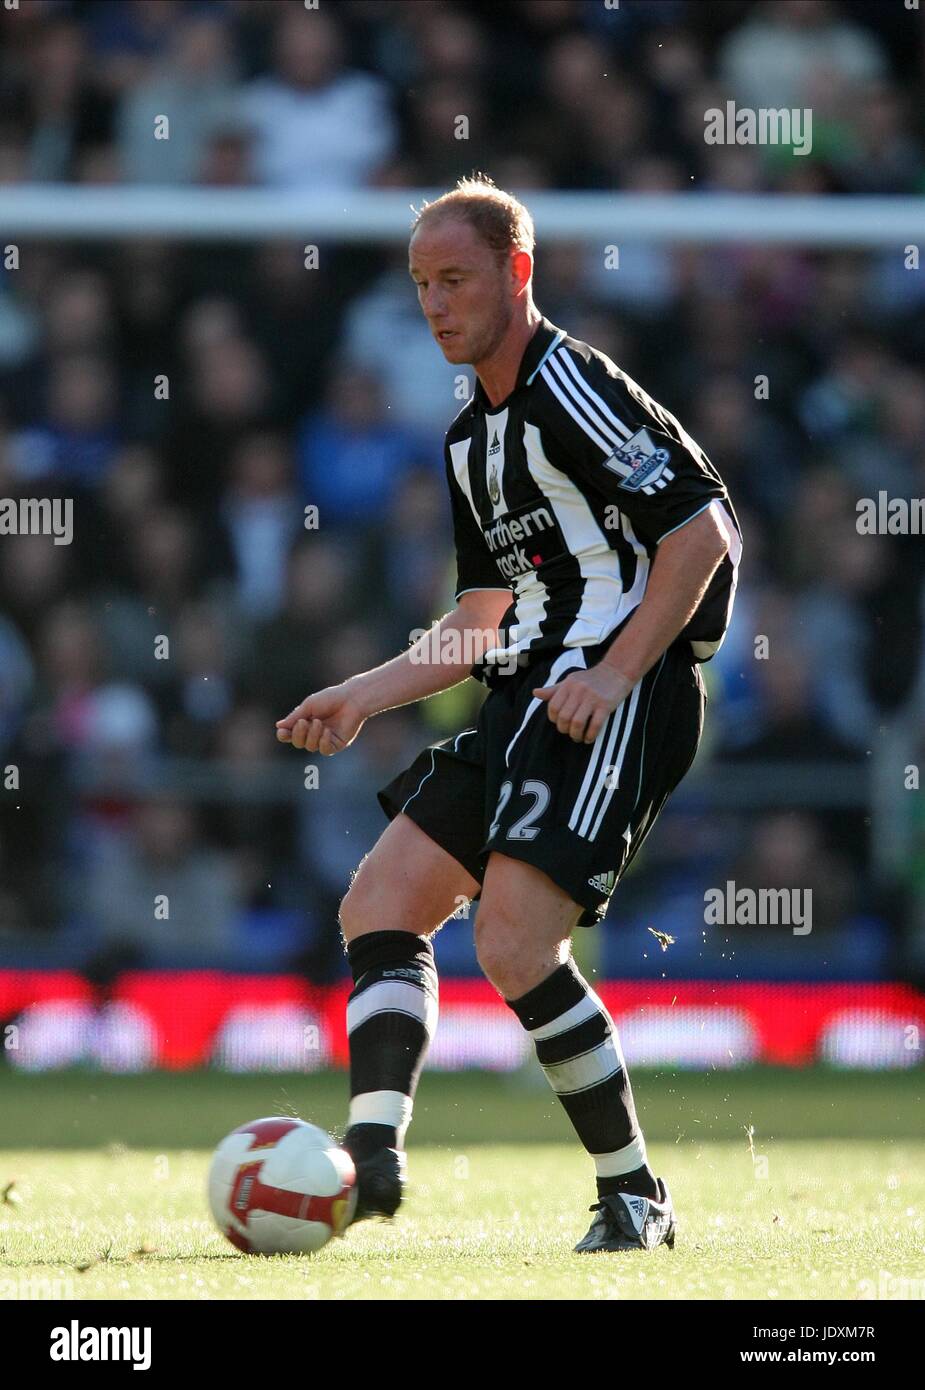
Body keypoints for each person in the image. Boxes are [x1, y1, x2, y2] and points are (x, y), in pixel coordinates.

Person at [276, 177, 742, 1253]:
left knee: (512, 942)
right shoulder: (467, 439)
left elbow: (702, 532)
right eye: (421, 286)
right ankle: (372, 1163)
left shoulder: (571, 388)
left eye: (456, 280)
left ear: (517, 274)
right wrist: (360, 693)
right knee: (379, 901)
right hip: (528, 686)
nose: (435, 305)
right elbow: (485, 615)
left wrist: (617, 673)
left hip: (613, 691)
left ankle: (634, 1198)